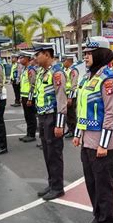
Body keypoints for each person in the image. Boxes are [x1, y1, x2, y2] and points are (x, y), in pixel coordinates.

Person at [73, 36, 113, 223]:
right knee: (91, 183)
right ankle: (97, 216)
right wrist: (77, 134)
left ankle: (106, 222)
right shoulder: (87, 77)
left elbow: (110, 114)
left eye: (89, 53)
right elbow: (81, 109)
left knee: (103, 186)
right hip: (87, 141)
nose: (86, 57)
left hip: (103, 144)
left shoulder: (108, 79)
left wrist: (103, 144)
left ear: (99, 54)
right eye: (85, 53)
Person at [33, 42, 67, 201]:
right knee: (47, 151)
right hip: (43, 116)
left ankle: (58, 187)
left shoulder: (57, 73)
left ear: (46, 54)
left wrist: (60, 124)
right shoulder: (42, 72)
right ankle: (52, 182)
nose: (35, 58)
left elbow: (61, 100)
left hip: (53, 117)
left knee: (54, 152)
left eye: (37, 54)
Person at [18, 50, 38, 143]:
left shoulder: (31, 69)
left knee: (31, 116)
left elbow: (32, 85)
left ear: (27, 59)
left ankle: (31, 134)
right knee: (27, 116)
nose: (20, 59)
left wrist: (30, 98)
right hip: (24, 96)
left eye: (22, 57)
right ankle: (28, 133)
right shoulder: (25, 69)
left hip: (29, 97)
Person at [62, 53, 79, 139]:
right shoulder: (65, 70)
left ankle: (73, 131)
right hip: (66, 95)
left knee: (71, 114)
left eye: (64, 60)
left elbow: (73, 85)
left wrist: (70, 98)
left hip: (71, 96)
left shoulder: (73, 70)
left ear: (69, 61)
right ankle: (70, 129)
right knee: (68, 114)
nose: (63, 62)